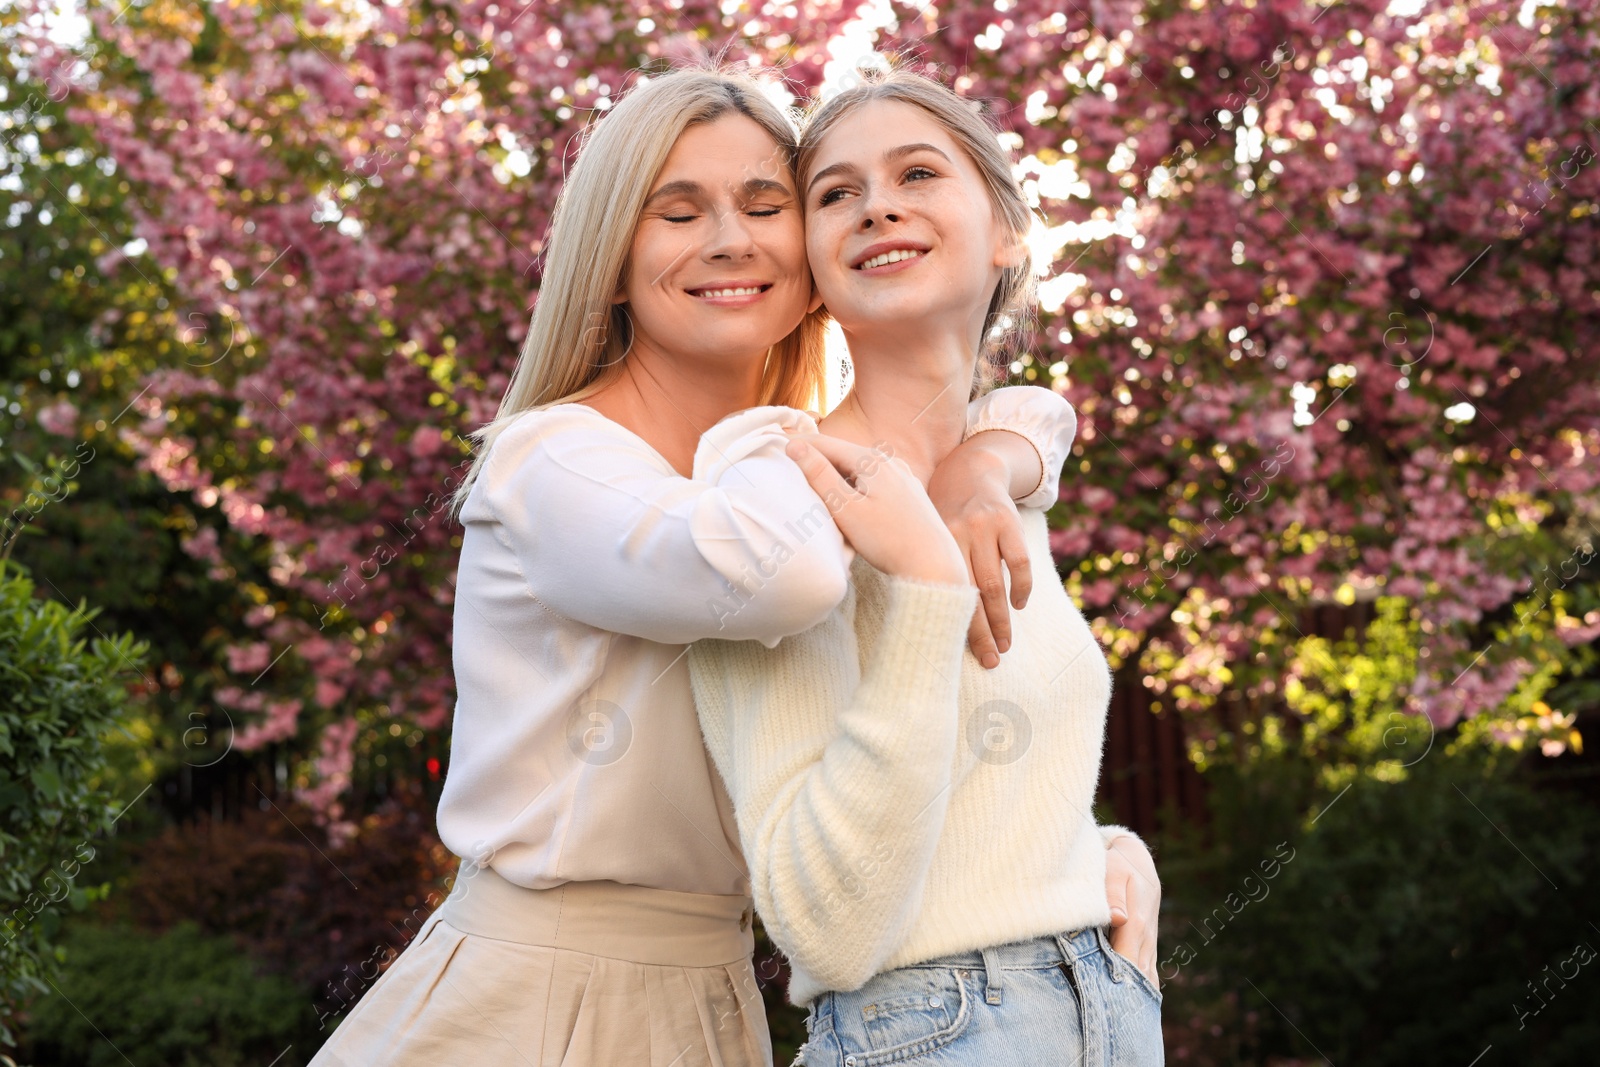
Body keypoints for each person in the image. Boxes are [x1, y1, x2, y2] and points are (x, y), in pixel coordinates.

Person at [307, 66, 1129, 1067]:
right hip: (537, 987)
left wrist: (986, 456)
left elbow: (1025, 408)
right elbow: (774, 575)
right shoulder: (559, 461)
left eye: (765, 203)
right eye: (677, 211)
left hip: (714, 989)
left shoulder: (806, 472)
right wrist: (931, 467)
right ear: (611, 261)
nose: (731, 241)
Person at [688, 67, 1166, 1066]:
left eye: (916, 172)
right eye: (835, 193)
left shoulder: (995, 469)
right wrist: (923, 594)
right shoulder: (782, 487)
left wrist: (1110, 868)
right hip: (926, 1028)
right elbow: (822, 925)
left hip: (1107, 1005)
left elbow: (1037, 417)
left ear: (1007, 235)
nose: (879, 206)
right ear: (814, 265)